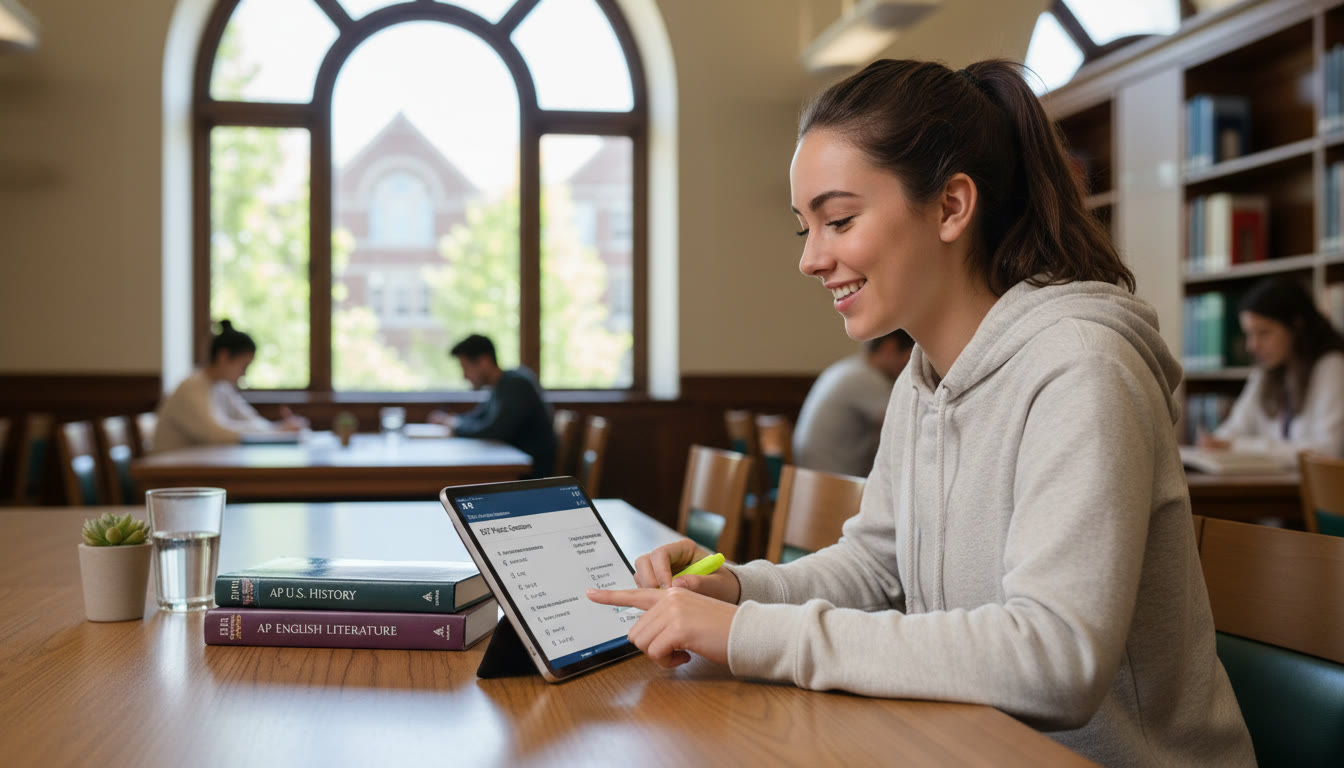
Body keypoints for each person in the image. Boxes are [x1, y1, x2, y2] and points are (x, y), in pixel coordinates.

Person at [589, 59, 1254, 766]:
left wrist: (752, 635)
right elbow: (875, 570)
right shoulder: (925, 376)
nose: (812, 259)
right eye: (803, 229)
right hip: (973, 746)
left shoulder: (1082, 367)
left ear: (950, 207)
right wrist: (736, 589)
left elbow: (1055, 660)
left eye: (839, 220)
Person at [1199, 277, 1344, 465]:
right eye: (1249, 334)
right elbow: (1231, 432)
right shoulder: (1265, 373)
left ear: (1297, 326)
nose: (1252, 346)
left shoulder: (1332, 366)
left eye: (1263, 333)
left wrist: (1239, 446)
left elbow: (1327, 451)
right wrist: (1215, 442)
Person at [153, 320, 306, 453]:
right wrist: (276, 432)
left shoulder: (222, 387)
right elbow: (216, 434)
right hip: (166, 474)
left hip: (193, 468)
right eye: (243, 366)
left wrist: (278, 429)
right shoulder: (192, 387)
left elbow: (250, 418)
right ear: (223, 356)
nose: (244, 374)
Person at [428, 334, 556, 478]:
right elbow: (478, 417)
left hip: (528, 476)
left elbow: (493, 430)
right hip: (512, 468)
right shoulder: (500, 386)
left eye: (466, 367)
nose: (464, 376)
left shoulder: (515, 385)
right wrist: (452, 421)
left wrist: (455, 425)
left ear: (484, 361)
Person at [792, 329, 913, 476]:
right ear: (890, 346)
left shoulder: (847, 369)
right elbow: (906, 426)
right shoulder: (864, 378)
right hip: (833, 485)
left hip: (812, 481)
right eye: (911, 355)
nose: (911, 365)